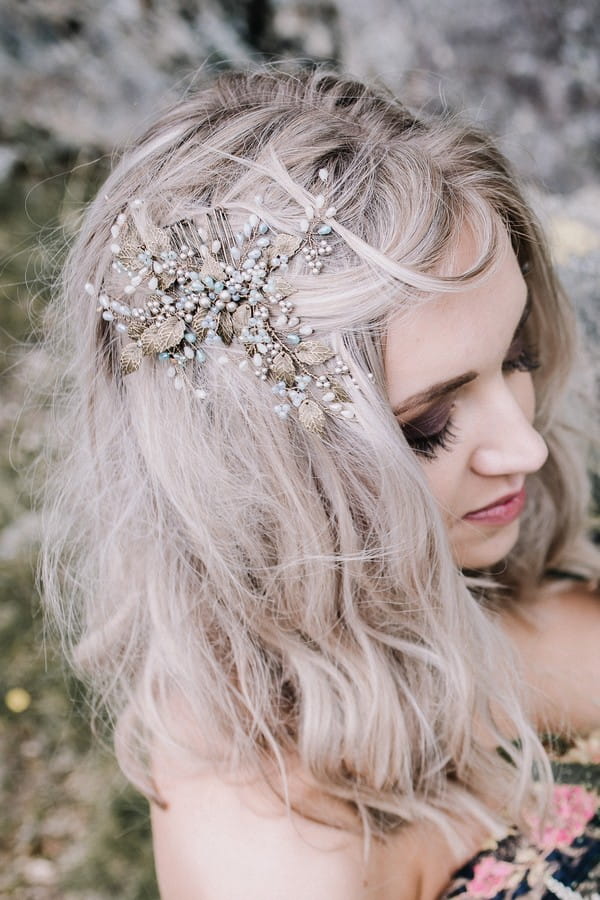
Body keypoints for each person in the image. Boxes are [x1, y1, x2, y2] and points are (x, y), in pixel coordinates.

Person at [40, 67, 600, 899]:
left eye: (516, 355)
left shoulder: (473, 557)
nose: (526, 447)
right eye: (427, 428)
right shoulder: (288, 861)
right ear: (262, 485)